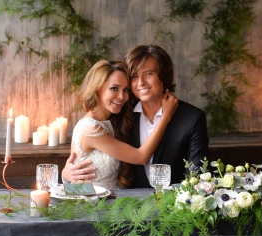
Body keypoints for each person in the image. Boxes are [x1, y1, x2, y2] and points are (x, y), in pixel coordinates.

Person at [63, 45, 208, 188]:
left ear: (164, 75)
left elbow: (196, 177)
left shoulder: (191, 118)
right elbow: (80, 158)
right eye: (134, 76)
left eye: (148, 74)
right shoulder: (119, 113)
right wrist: (66, 176)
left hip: (172, 201)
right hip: (123, 200)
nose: (141, 82)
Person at [64, 59, 178, 193]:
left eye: (126, 90)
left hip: (114, 199)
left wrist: (66, 175)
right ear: (97, 88)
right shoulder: (91, 128)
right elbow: (141, 157)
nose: (122, 96)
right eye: (114, 88)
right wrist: (166, 116)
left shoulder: (111, 122)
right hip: (95, 203)